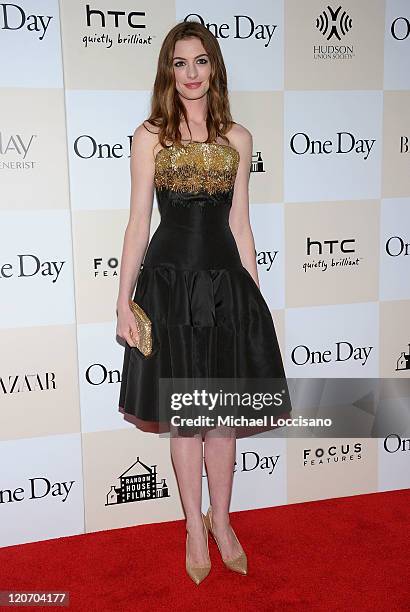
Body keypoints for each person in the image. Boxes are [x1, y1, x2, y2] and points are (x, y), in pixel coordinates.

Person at [116, 21, 292, 584]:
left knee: (221, 420)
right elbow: (138, 221)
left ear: (214, 68)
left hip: (223, 290)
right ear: (169, 72)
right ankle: (192, 525)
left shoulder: (238, 138)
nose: (191, 73)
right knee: (187, 421)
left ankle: (222, 519)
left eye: (200, 62)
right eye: (180, 63)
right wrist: (124, 302)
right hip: (168, 289)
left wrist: (255, 299)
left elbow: (242, 224)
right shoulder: (151, 136)